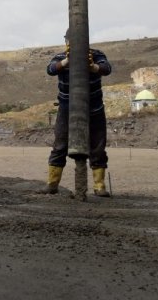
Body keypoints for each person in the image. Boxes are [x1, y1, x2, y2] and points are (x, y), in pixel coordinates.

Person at [38, 29, 112, 197]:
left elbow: (107, 68)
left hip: (94, 108)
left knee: (98, 147)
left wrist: (92, 67)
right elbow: (50, 69)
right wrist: (66, 63)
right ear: (66, 41)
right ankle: (52, 184)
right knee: (60, 145)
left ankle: (99, 186)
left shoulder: (97, 55)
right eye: (70, 40)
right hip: (66, 108)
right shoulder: (60, 57)